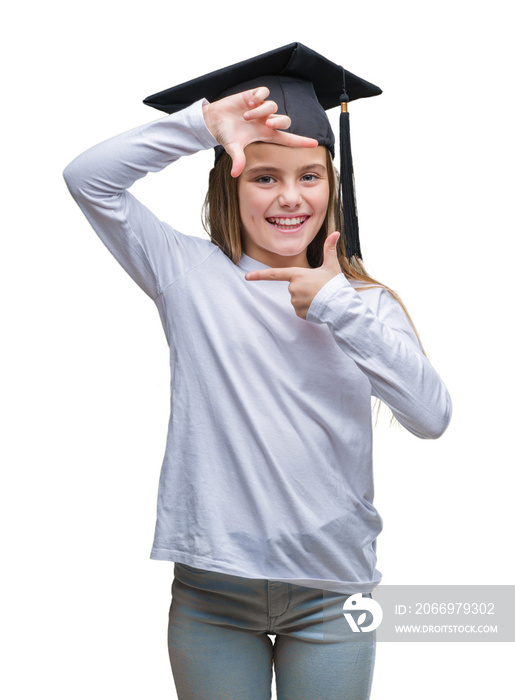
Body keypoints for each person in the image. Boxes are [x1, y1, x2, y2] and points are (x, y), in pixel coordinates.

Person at [63, 43, 451, 700]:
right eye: (263, 177)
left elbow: (431, 417)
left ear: (333, 186)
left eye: (309, 176)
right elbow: (87, 178)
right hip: (214, 594)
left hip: (332, 594)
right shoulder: (187, 274)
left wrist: (335, 306)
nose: (289, 197)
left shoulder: (366, 306)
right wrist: (199, 125)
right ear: (230, 183)